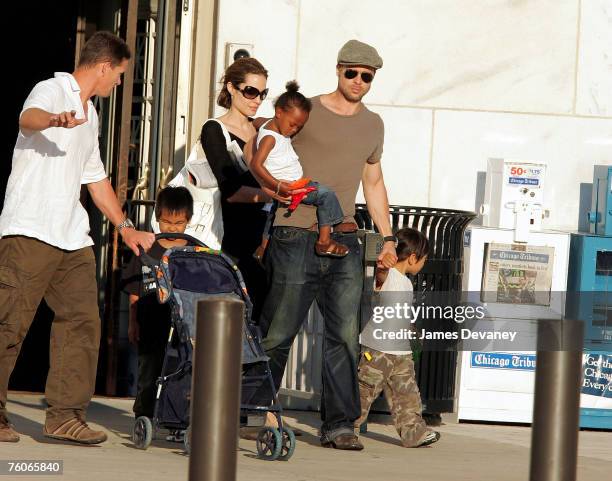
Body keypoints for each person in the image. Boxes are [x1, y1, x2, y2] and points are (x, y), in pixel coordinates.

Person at [0, 31, 155, 445]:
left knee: (83, 320)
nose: (119, 83)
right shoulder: (52, 89)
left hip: (71, 235)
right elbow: (27, 119)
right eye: (119, 75)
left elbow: (95, 178)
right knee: (10, 322)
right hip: (30, 228)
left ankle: (65, 416)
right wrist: (54, 119)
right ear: (104, 67)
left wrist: (126, 227)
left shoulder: (94, 116)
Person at [257, 39, 397, 451]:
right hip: (294, 231)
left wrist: (387, 237)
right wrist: (271, 190)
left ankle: (339, 425)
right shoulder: (307, 109)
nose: (357, 81)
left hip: (346, 236)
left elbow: (372, 181)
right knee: (279, 332)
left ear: (373, 80)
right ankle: (257, 407)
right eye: (350, 72)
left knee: (344, 336)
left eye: (366, 76)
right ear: (338, 70)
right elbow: (264, 143)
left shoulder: (373, 124)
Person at [199, 58, 272, 322]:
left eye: (263, 93)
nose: (257, 99)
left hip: (262, 242)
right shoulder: (214, 129)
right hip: (229, 242)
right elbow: (229, 190)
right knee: (228, 330)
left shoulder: (262, 131)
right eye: (251, 91)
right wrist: (273, 195)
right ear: (231, 88)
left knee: (259, 325)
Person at [356, 228, 441, 448]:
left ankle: (414, 432)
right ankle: (347, 425)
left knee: (408, 394)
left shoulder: (406, 283)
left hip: (401, 352)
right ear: (413, 257)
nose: (423, 264)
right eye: (424, 259)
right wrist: (383, 267)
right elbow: (381, 276)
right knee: (365, 390)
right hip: (377, 349)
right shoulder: (390, 275)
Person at [251, 81, 348, 258]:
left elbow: (257, 121)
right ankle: (325, 240)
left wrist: (254, 122)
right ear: (278, 113)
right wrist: (278, 185)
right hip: (293, 186)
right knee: (325, 194)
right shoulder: (270, 139)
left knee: (273, 213)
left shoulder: (267, 125)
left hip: (287, 186)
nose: (294, 130)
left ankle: (263, 247)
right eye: (292, 124)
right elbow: (255, 164)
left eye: (299, 127)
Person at [122, 186, 193, 426]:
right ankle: (144, 415)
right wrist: (133, 322)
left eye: (179, 223)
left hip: (182, 324)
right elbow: (134, 290)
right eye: (166, 222)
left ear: (189, 220)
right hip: (150, 319)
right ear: (157, 218)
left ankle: (175, 415)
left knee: (181, 368)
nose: (172, 228)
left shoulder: (193, 251)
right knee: (149, 369)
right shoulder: (146, 249)